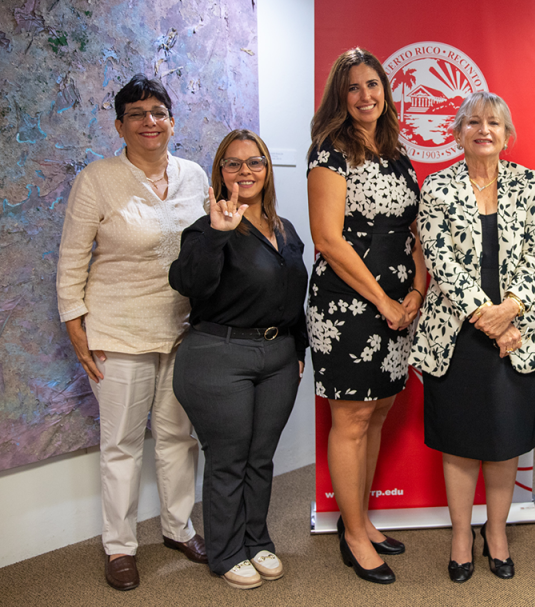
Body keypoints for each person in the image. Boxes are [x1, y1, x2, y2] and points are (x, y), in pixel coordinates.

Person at [55, 74, 207, 591]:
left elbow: (208, 251)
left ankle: (177, 527)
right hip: (116, 330)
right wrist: (75, 325)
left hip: (183, 329)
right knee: (121, 443)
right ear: (120, 125)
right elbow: (73, 258)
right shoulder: (98, 179)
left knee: (178, 437)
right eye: (137, 114)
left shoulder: (193, 175)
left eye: (158, 112)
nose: (150, 122)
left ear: (171, 120)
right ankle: (119, 547)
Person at [411, 92, 535, 583]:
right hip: (456, 334)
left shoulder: (531, 184)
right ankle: (459, 535)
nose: (483, 129)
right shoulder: (437, 185)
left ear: (507, 134)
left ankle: (496, 531)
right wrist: (487, 316)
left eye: (493, 122)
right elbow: (437, 256)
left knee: (505, 440)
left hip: (519, 332)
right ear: (457, 134)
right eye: (473, 122)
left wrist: (511, 309)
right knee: (460, 441)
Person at [305, 47, 426, 585]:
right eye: (353, 88)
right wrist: (382, 302)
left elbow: (416, 234)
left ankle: (363, 518)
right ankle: (352, 532)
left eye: (372, 85)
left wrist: (414, 297)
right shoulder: (329, 152)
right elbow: (328, 239)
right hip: (348, 305)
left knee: (377, 411)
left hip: (399, 306)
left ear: (385, 90)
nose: (365, 96)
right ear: (340, 96)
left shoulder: (399, 153)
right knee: (350, 418)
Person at [168, 130, 308, 589]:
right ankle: (226, 551)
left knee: (260, 457)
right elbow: (187, 281)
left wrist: (299, 348)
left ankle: (256, 540)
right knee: (229, 459)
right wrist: (216, 234)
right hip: (218, 355)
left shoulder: (284, 228)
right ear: (220, 172)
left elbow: (294, 294)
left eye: (255, 163)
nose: (244, 172)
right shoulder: (208, 226)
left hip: (278, 357)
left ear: (267, 170)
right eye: (233, 164)